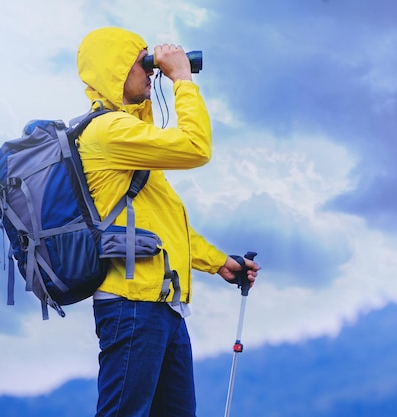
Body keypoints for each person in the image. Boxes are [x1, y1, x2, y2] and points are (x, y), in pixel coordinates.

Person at [76, 27, 260, 417]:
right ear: (113, 69)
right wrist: (182, 80)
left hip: (163, 306)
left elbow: (165, 224)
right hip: (131, 306)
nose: (151, 68)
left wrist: (218, 263)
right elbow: (196, 147)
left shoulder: (131, 136)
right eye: (141, 60)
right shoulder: (109, 132)